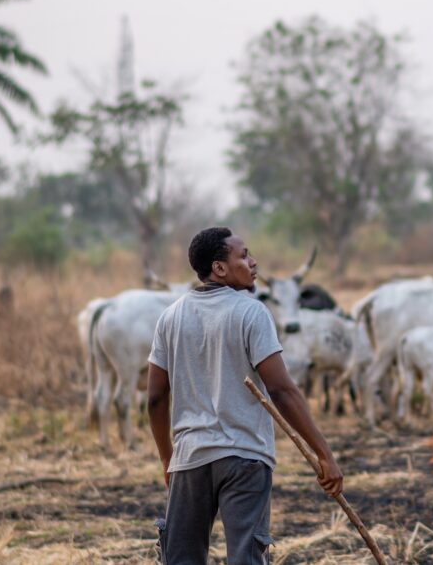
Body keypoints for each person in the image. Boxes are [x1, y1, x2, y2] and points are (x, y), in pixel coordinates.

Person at [147, 227, 343, 565]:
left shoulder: (170, 317)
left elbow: (154, 399)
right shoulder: (252, 312)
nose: (253, 263)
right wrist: (324, 453)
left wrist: (169, 459)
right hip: (244, 457)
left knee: (181, 558)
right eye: (243, 256)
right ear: (219, 268)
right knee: (246, 558)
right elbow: (282, 390)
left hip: (189, 460)